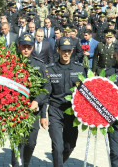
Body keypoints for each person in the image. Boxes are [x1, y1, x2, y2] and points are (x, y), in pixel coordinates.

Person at [11, 33, 50, 167]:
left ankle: (25, 163)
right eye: (23, 47)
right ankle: (17, 164)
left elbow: (46, 87)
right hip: (14, 111)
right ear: (18, 46)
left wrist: (37, 102)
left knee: (31, 143)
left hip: (33, 111)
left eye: (29, 47)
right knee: (17, 141)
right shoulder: (11, 63)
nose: (26, 50)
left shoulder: (39, 65)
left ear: (32, 48)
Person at [46, 37, 86, 166]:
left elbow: (86, 93)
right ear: (58, 50)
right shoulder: (50, 69)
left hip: (72, 113)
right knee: (57, 147)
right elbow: (45, 93)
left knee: (70, 145)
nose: (66, 53)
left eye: (69, 51)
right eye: (64, 50)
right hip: (55, 111)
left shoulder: (79, 69)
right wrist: (42, 115)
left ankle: (59, 163)